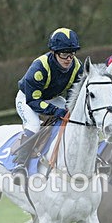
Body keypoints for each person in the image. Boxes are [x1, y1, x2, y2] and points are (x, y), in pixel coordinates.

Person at [12, 27, 83, 181]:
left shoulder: (77, 67)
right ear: (54, 52)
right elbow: (33, 100)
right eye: (64, 54)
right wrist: (54, 110)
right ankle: (20, 165)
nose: (68, 59)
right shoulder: (39, 67)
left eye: (71, 53)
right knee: (34, 125)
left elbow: (73, 95)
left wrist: (67, 109)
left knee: (73, 118)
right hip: (27, 98)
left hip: (52, 98)